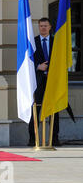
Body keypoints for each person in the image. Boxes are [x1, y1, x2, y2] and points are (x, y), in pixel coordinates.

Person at [28, 17, 60, 146]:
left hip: (53, 81)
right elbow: (28, 60)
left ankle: (54, 139)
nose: (43, 28)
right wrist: (38, 66)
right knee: (36, 110)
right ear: (38, 27)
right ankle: (32, 139)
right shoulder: (33, 42)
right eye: (41, 26)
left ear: (50, 27)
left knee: (55, 110)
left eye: (45, 26)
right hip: (38, 81)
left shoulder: (56, 41)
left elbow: (61, 59)